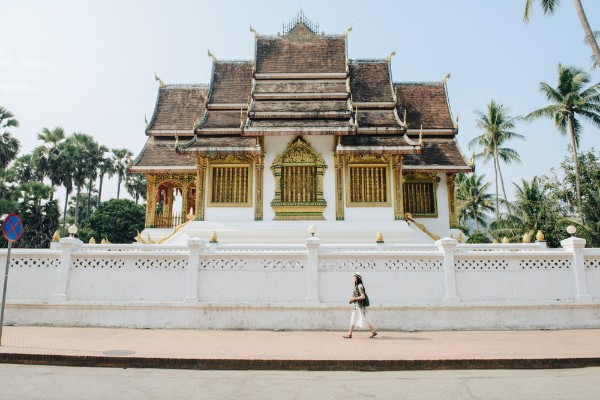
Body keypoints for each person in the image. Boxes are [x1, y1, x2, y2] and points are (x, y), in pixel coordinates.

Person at [343, 272, 377, 339]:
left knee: (363, 318)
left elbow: (363, 296)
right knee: (360, 318)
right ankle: (373, 331)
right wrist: (352, 300)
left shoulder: (359, 286)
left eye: (354, 276)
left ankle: (350, 334)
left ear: (357, 277)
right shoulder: (356, 286)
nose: (353, 277)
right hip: (357, 306)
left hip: (360, 307)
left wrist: (354, 298)